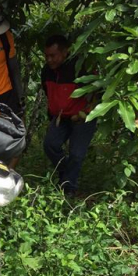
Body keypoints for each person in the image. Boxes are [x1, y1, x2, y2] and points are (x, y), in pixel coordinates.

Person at [41, 34, 98, 196]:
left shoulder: (80, 67)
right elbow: (48, 92)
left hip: (82, 117)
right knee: (50, 145)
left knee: (76, 153)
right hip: (60, 117)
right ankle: (66, 174)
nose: (49, 60)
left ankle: (68, 189)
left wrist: (87, 112)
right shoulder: (47, 71)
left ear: (65, 52)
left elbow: (96, 91)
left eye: (53, 56)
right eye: (47, 56)